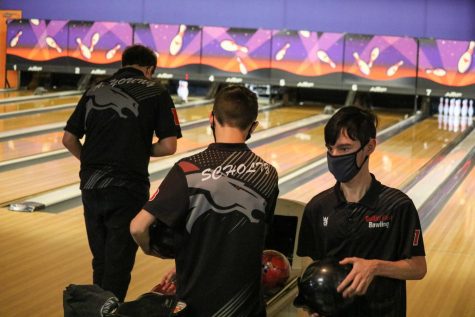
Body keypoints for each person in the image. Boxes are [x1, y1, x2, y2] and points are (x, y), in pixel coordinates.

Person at [130, 85, 279, 317]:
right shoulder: (268, 173)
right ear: (253, 126)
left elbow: (137, 226)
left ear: (211, 118)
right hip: (246, 307)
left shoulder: (188, 169)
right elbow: (246, 236)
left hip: (196, 306)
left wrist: (155, 250)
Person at [62, 44, 182, 301]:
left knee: (101, 259)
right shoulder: (156, 91)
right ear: (150, 69)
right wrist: (135, 148)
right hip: (127, 187)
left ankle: (97, 310)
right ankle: (108, 311)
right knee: (118, 263)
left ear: (123, 63)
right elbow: (169, 146)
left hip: (91, 185)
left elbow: (68, 139)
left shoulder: (96, 89)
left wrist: (91, 162)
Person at [297, 106, 427, 317]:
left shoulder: (397, 206)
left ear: (370, 146)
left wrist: (375, 267)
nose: (335, 156)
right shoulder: (317, 207)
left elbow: (418, 268)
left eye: (345, 149)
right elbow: (311, 268)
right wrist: (314, 303)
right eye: (331, 149)